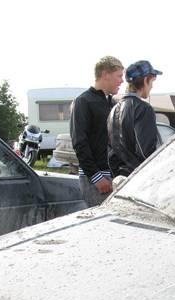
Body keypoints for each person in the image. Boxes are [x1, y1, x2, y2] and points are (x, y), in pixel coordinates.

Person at [70, 56, 124, 206]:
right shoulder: (83, 101)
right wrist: (96, 176)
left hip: (114, 175)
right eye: (119, 76)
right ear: (105, 74)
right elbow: (79, 142)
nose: (122, 81)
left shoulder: (111, 102)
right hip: (96, 178)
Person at [107, 59, 162, 178]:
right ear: (146, 79)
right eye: (152, 81)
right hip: (139, 178)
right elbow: (146, 152)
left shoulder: (114, 109)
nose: (152, 86)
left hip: (117, 176)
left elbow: (111, 149)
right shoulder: (143, 109)